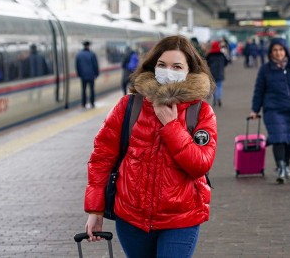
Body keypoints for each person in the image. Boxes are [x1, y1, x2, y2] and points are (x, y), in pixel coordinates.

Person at [84, 35, 217, 257]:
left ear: (189, 72)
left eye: (177, 66)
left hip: (180, 219)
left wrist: (171, 126)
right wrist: (95, 210)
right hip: (131, 218)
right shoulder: (129, 105)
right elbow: (102, 157)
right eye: (162, 65)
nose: (168, 71)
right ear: (152, 66)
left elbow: (200, 165)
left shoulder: (201, 112)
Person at [249, 37, 290, 184]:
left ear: (286, 51)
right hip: (273, 110)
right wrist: (255, 109)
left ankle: (286, 164)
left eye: (281, 50)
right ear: (270, 53)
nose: (278, 53)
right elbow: (259, 90)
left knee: (289, 138)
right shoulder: (265, 69)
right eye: (275, 50)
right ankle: (280, 166)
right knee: (278, 138)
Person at [75, 40, 99, 109]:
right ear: (88, 46)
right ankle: (92, 103)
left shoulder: (79, 55)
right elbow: (95, 65)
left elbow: (77, 66)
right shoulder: (92, 54)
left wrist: (79, 74)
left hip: (83, 76)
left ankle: (83, 104)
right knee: (91, 90)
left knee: (83, 90)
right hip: (91, 75)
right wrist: (96, 74)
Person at [206, 40, 229, 107]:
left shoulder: (209, 55)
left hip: (212, 73)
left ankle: (215, 98)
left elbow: (206, 63)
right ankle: (218, 98)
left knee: (213, 87)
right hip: (220, 72)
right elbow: (226, 62)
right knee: (219, 86)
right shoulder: (221, 54)